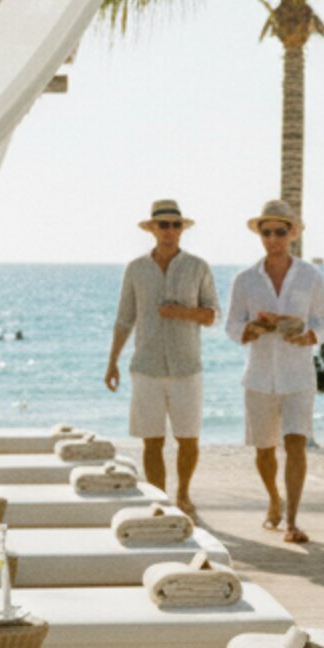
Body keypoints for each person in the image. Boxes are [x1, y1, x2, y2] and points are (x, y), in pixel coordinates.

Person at [226, 199, 324, 545]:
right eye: (266, 232)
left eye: (280, 232)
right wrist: (251, 330)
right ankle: (274, 497)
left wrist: (308, 335)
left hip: (298, 374)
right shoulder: (245, 279)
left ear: (293, 234)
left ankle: (293, 521)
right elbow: (231, 325)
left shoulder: (310, 276)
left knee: (296, 443)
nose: (273, 238)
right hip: (258, 376)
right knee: (264, 449)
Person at [105, 198, 217, 512]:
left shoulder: (198, 267)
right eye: (163, 224)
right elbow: (125, 318)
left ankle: (183, 494)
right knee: (151, 440)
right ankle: (160, 500)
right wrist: (112, 361)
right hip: (146, 366)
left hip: (187, 366)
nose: (170, 230)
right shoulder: (136, 269)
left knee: (188, 439)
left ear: (182, 229)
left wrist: (182, 313)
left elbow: (211, 315)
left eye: (175, 225)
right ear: (152, 229)